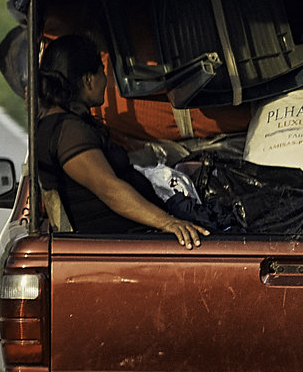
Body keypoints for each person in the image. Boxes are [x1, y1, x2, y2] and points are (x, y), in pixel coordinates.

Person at [35, 35, 208, 249]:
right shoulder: (68, 130)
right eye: (102, 74)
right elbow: (109, 188)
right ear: (88, 80)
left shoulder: (56, 124)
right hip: (126, 242)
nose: (106, 81)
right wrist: (168, 222)